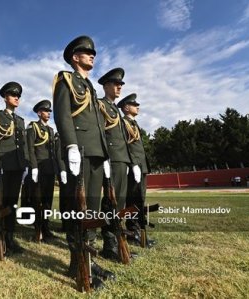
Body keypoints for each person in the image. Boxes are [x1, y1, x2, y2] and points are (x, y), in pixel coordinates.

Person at [53, 35, 114, 290]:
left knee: (92, 210)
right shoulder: (65, 80)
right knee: (79, 210)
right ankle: (78, 262)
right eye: (87, 53)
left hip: (96, 153)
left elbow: (99, 126)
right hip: (80, 150)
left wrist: (105, 155)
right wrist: (70, 146)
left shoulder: (91, 88)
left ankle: (88, 258)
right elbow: (62, 114)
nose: (92, 56)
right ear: (75, 57)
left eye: (93, 53)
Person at [0, 81, 29, 255]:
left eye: (18, 95)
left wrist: (26, 164)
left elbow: (24, 144)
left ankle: (10, 237)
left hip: (17, 165)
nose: (17, 98)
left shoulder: (20, 120)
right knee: (0, 202)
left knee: (12, 203)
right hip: (3, 165)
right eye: (13, 95)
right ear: (5, 98)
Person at [97, 67, 135, 260]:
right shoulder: (100, 105)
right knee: (110, 203)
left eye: (121, 84)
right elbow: (100, 134)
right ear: (106, 86)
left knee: (119, 203)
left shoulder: (115, 111)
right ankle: (109, 244)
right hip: (111, 159)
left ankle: (119, 241)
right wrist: (104, 157)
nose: (119, 87)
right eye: (116, 83)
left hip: (122, 160)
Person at [118, 93, 155, 248]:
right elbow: (126, 146)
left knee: (140, 199)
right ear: (126, 107)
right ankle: (133, 231)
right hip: (134, 166)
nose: (137, 107)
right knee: (134, 199)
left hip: (141, 166)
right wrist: (133, 164)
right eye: (134, 105)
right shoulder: (123, 123)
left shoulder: (134, 123)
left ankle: (138, 230)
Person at [26, 99, 57, 242]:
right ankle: (37, 227)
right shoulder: (33, 127)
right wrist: (33, 167)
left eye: (49, 111)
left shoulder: (51, 130)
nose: (48, 113)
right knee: (37, 199)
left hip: (49, 169)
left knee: (47, 200)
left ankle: (46, 226)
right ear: (39, 113)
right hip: (38, 168)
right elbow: (30, 149)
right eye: (45, 111)